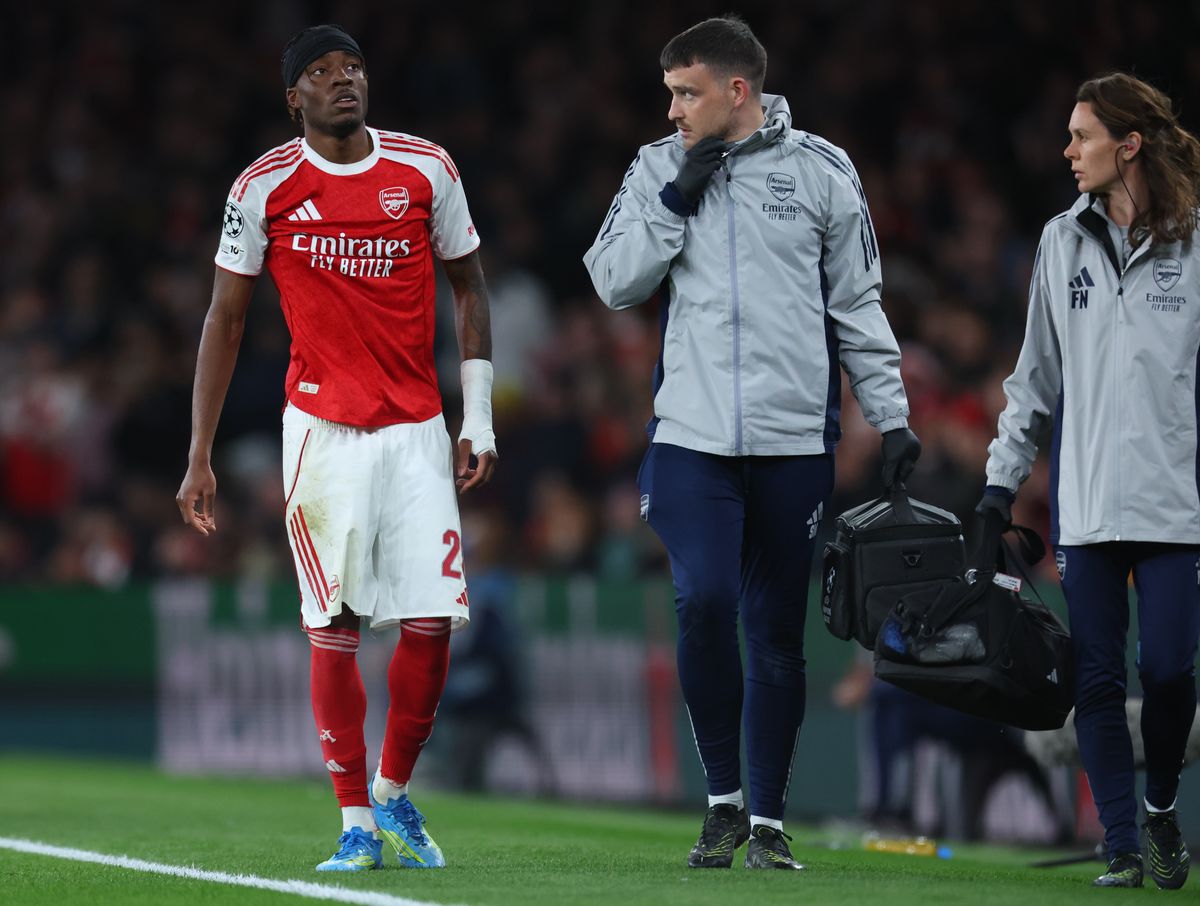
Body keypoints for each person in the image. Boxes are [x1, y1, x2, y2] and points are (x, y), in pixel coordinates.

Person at [583, 15, 920, 871]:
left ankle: (766, 822)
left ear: (739, 90)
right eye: (668, 93)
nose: (671, 112)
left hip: (792, 441)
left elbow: (859, 304)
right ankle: (721, 800)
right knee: (702, 600)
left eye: (685, 93)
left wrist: (893, 416)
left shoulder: (822, 170)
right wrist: (675, 197)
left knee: (776, 630)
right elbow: (614, 282)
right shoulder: (659, 166)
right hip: (692, 436)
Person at [175, 24, 497, 873]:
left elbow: (469, 284)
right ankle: (355, 818)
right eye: (321, 73)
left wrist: (481, 416)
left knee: (431, 625)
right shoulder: (264, 187)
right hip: (323, 436)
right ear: (295, 99)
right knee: (337, 625)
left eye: (352, 66)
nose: (343, 80)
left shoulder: (427, 168)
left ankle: (392, 791)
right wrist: (199, 453)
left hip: (420, 432)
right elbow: (226, 317)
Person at [978, 71, 1200, 889]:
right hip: (1090, 505)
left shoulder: (1196, 240)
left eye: (1083, 136)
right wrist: (999, 487)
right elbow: (1034, 380)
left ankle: (1162, 805)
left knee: (1172, 671)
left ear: (1129, 144)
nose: (1068, 151)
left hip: (1180, 506)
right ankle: (1121, 845)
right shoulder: (1059, 241)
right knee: (1098, 679)